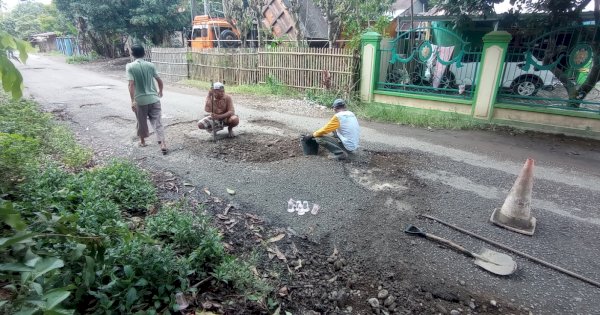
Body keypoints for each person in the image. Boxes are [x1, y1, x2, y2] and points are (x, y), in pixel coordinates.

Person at [126, 44, 167, 154]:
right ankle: (162, 143)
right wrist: (161, 91)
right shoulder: (150, 65)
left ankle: (143, 141)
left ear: (132, 54)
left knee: (141, 121)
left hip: (140, 101)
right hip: (154, 99)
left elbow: (131, 85)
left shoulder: (130, 67)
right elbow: (159, 80)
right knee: (158, 122)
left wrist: (133, 100)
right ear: (144, 53)